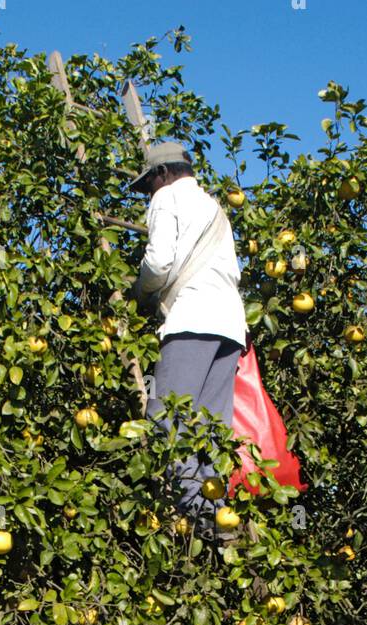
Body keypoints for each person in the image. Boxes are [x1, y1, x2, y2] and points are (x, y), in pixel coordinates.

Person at [126, 141, 247, 528]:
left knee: (166, 413)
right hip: (230, 327)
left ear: (163, 174)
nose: (149, 194)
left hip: (192, 318)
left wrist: (140, 289)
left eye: (149, 185)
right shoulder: (215, 206)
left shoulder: (166, 198)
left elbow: (159, 261)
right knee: (211, 424)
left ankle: (193, 508)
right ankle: (217, 511)